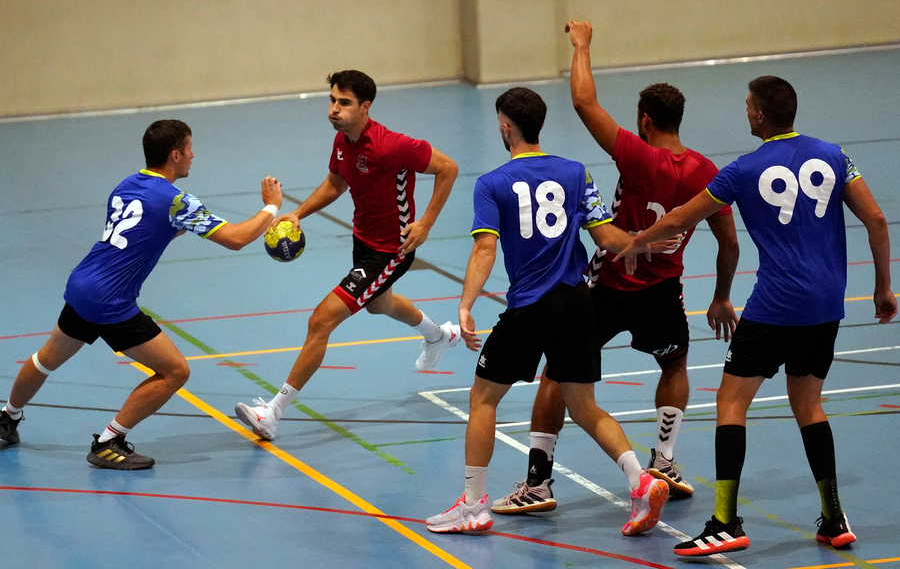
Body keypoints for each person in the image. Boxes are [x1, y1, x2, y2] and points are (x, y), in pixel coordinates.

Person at [613, 76, 896, 556]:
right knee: (809, 404)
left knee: (731, 402)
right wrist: (883, 287)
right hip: (827, 304)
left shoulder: (742, 170)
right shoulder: (833, 155)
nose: (744, 112)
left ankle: (725, 521)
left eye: (748, 106)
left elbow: (681, 217)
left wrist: (634, 243)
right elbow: (877, 219)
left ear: (761, 116)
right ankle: (833, 518)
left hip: (776, 305)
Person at [492, 20, 740, 515]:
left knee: (555, 379)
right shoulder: (706, 173)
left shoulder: (638, 157)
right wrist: (721, 296)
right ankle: (664, 461)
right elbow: (729, 244)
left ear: (646, 120)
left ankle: (538, 483)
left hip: (606, 286)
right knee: (674, 365)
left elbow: (585, 102)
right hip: (664, 289)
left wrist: (582, 45)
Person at [426, 87, 671, 536]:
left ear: (505, 126)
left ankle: (473, 506)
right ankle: (640, 483)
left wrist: (465, 304)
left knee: (483, 398)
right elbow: (606, 236)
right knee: (584, 406)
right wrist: (645, 240)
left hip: (531, 305)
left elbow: (485, 248)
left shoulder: (493, 183)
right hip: (578, 302)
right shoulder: (576, 172)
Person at [0, 119, 283, 470]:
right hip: (111, 300)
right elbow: (237, 239)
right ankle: (109, 442)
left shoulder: (126, 184)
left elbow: (146, 231)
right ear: (175, 154)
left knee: (46, 359)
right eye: (189, 149)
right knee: (175, 371)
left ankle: (6, 419)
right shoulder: (176, 199)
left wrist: (185, 227)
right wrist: (271, 207)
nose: (194, 156)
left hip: (83, 284)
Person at [235, 70, 460, 440]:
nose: (334, 110)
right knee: (379, 304)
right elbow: (336, 181)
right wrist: (297, 213)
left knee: (321, 320)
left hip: (391, 249)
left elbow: (447, 168)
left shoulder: (392, 145)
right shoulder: (343, 141)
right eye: (332, 101)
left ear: (365, 107)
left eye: (344, 103)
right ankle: (438, 335)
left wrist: (426, 223)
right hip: (363, 241)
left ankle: (272, 413)